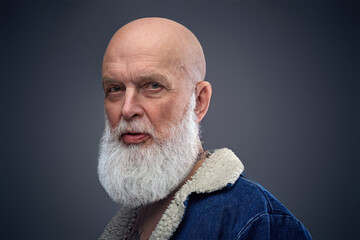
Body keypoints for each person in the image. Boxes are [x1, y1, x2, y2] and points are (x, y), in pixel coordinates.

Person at [98, 17, 312, 240]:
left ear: (199, 101)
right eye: (115, 88)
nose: (127, 108)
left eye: (153, 86)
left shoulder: (255, 221)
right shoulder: (136, 214)